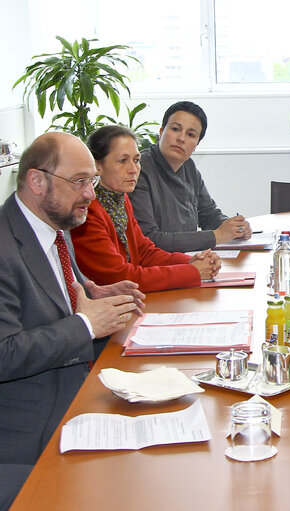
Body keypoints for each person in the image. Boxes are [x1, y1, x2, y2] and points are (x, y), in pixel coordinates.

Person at [0, 132, 144, 508]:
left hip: (80, 391)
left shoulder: (54, 229)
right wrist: (85, 325)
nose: (91, 195)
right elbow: (4, 353)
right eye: (80, 182)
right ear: (37, 181)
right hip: (29, 433)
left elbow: (59, 299)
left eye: (92, 181)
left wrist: (96, 293)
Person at [71, 126, 221, 292]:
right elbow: (121, 277)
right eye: (122, 161)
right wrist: (192, 271)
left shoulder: (121, 199)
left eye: (136, 160)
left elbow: (145, 252)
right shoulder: (87, 212)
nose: (133, 169)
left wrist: (192, 261)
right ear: (98, 167)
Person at [129, 101, 253, 252]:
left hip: (187, 258)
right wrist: (217, 236)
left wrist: (234, 227)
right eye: (175, 129)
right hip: (157, 264)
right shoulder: (139, 170)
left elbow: (208, 213)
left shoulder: (189, 167)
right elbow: (149, 238)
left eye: (191, 134)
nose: (181, 138)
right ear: (161, 132)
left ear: (196, 145)